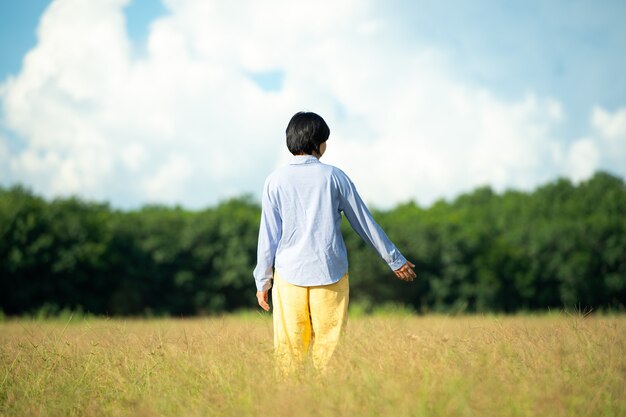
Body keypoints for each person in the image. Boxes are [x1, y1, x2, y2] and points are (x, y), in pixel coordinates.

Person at [253, 111, 416, 375]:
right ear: (318, 142)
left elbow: (268, 236)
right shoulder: (335, 177)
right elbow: (364, 223)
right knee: (330, 353)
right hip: (331, 274)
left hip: (288, 277)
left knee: (288, 353)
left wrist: (263, 280)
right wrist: (394, 259)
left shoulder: (275, 181)